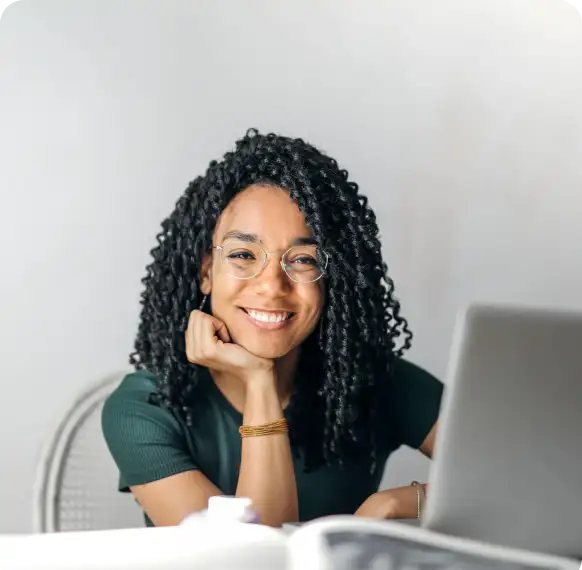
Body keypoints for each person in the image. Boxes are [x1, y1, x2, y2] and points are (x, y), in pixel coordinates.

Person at [102, 129, 443, 528]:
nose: (271, 285)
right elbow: (247, 567)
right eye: (244, 254)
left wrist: (396, 504)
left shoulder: (375, 381)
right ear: (206, 272)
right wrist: (259, 379)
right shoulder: (145, 408)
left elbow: (522, 480)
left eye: (302, 260)